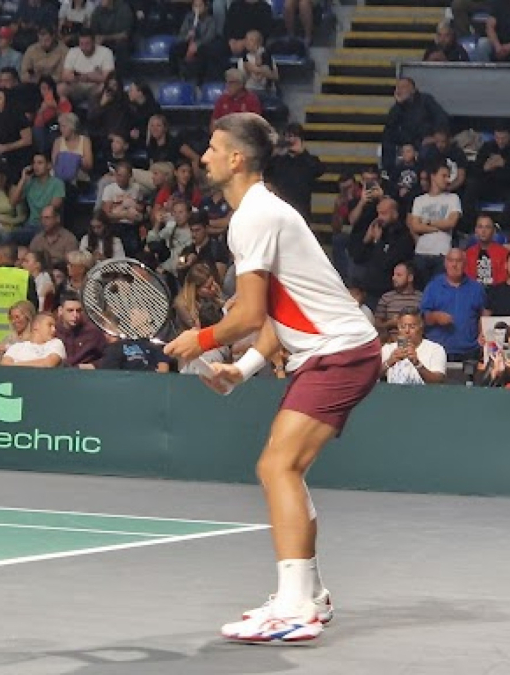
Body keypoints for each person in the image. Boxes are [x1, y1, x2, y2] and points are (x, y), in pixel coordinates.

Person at [164, 113, 380, 643]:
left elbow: (248, 315)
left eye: (213, 148)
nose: (204, 157)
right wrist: (242, 369)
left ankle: (295, 607)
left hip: (339, 352)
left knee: (277, 466)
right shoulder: (262, 212)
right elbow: (279, 317)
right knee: (286, 469)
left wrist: (202, 339)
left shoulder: (254, 217)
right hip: (332, 352)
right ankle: (310, 594)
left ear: (236, 159)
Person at [422, 247, 488, 362]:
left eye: (458, 261)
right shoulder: (433, 287)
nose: (454, 265)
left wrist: (482, 335)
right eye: (451, 260)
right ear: (445, 263)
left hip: (470, 351)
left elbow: (484, 314)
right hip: (438, 351)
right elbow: (422, 318)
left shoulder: (476, 288)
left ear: (465, 264)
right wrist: (435, 317)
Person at [408, 161, 461, 290]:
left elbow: (451, 223)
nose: (447, 180)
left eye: (448, 176)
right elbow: (415, 226)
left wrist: (428, 222)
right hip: (421, 253)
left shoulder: (453, 198)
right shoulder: (419, 200)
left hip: (442, 254)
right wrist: (441, 225)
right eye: (443, 176)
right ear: (433, 176)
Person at [264, 123, 324, 224]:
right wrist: (274, 151)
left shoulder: (309, 160)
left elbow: (319, 170)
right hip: (280, 211)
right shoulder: (278, 161)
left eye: (294, 136)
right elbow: (264, 171)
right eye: (288, 136)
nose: (291, 140)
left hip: (301, 211)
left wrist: (302, 152)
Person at [380, 308, 447, 385]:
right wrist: (389, 363)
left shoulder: (435, 349)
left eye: (412, 327)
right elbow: (372, 376)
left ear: (421, 327)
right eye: (403, 327)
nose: (407, 331)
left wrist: (417, 364)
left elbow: (438, 380)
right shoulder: (388, 349)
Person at [374, 262, 423, 341]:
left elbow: (425, 325)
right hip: (391, 342)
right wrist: (390, 323)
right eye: (393, 275)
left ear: (410, 278)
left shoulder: (421, 298)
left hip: (415, 342)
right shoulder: (386, 297)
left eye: (399, 275)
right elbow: (377, 326)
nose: (394, 278)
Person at [55, 290, 106, 366]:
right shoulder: (54, 331)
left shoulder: (93, 332)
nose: (75, 315)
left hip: (85, 371)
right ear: (60, 311)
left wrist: (93, 365)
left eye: (78, 311)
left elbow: (108, 357)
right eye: (70, 310)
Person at [1, 312, 66, 367]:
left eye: (54, 326)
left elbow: (49, 363)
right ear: (36, 326)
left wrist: (15, 365)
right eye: (50, 325)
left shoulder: (56, 343)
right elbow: (4, 365)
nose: (54, 330)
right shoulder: (17, 347)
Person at [174, 261, 225, 330]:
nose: (213, 288)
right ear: (195, 289)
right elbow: (199, 328)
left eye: (213, 282)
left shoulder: (214, 289)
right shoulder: (182, 304)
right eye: (208, 287)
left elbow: (223, 303)